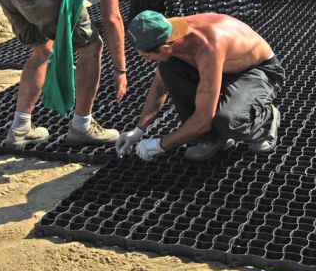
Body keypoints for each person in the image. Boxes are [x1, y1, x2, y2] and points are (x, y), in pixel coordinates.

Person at [0, 0, 134, 148]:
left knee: (42, 51)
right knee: (92, 47)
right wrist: (120, 70)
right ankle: (82, 126)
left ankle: (20, 128)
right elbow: (112, 17)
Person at [116, 10, 285, 162]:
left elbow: (204, 119)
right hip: (222, 68)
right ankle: (211, 139)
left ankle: (266, 121)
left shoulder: (209, 46)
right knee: (168, 68)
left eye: (146, 56)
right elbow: (160, 87)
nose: (146, 61)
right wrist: (139, 129)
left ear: (166, 48)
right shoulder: (169, 30)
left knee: (228, 119)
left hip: (257, 71)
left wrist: (160, 145)